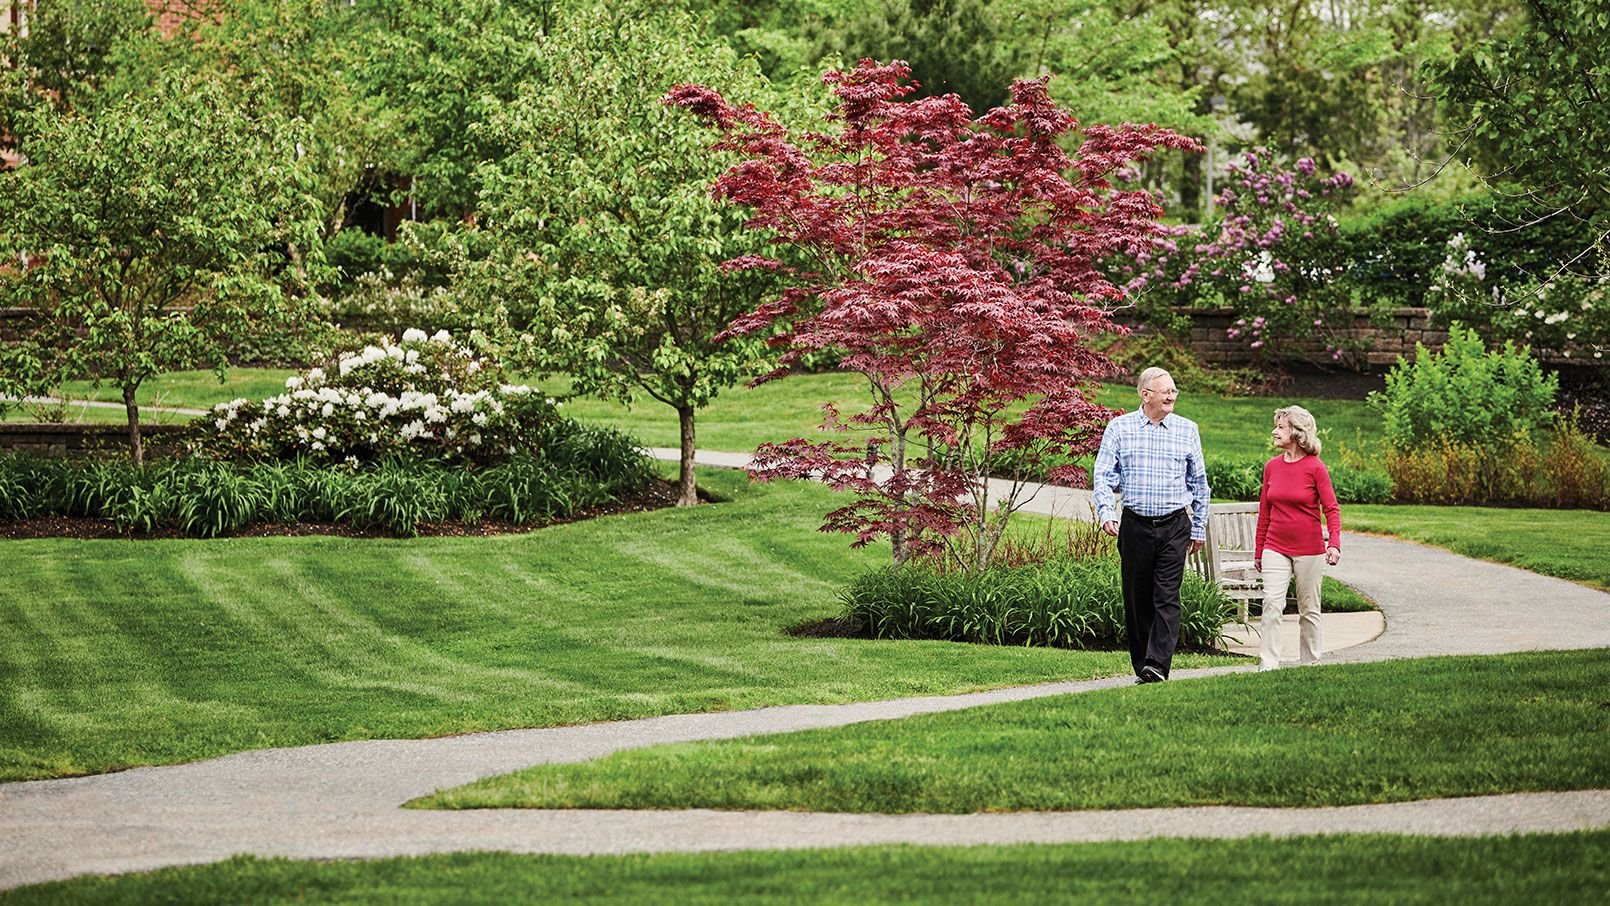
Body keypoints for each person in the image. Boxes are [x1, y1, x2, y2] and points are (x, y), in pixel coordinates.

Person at [1093, 367, 1210, 684]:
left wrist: (1198, 527)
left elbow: (1199, 483)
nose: (1172, 396)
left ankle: (1158, 664)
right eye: (1166, 391)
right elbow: (1103, 476)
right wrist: (1106, 512)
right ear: (1146, 395)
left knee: (1167, 597)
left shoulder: (1187, 430)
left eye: (1174, 390)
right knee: (1137, 597)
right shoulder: (1120, 428)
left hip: (1174, 525)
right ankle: (1144, 663)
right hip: (1135, 526)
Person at [1253, 405, 1342, 671]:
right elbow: (1265, 512)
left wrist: (1334, 543)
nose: (1274, 431)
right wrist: (1259, 550)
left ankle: (1310, 663)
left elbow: (1332, 509)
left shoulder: (1315, 468)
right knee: (1271, 604)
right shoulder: (1272, 467)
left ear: (1297, 432)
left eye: (1280, 427)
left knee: (1309, 608)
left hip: (1309, 549)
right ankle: (1268, 665)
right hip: (1275, 547)